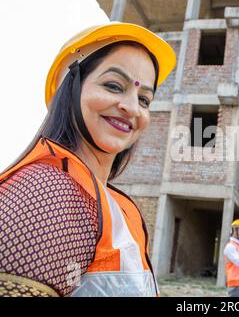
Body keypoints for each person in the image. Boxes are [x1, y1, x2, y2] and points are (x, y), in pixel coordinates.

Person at [0, 22, 176, 297]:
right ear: (69, 88)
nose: (131, 107)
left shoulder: (113, 206)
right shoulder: (48, 191)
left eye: (144, 99)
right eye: (114, 86)